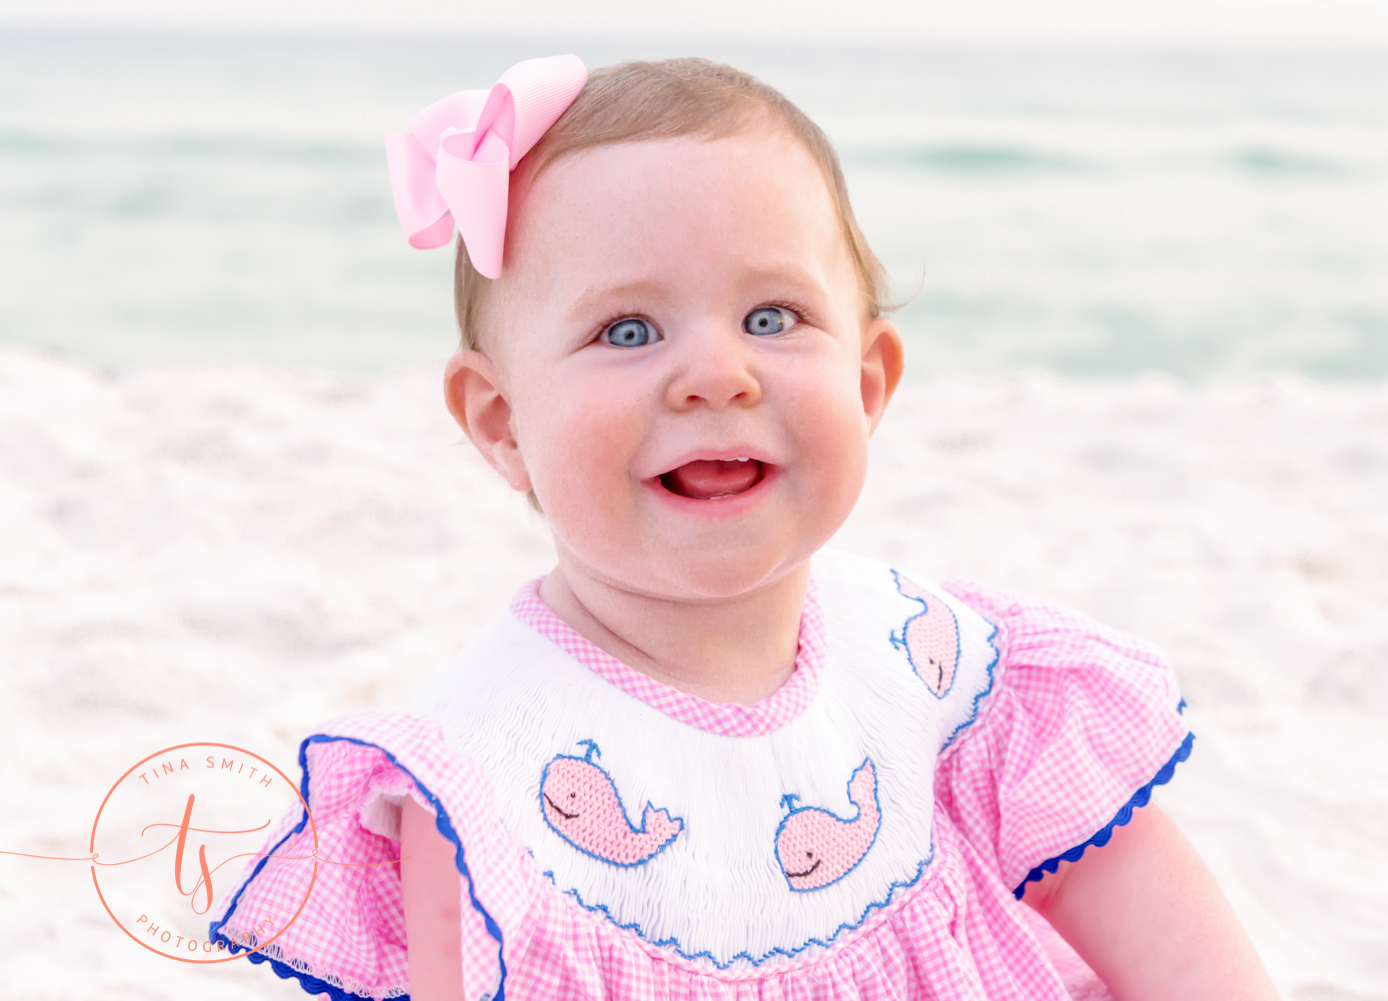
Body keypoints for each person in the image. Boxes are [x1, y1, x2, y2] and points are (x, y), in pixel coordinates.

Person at [210, 54, 1279, 1000]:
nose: (718, 373)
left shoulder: (927, 660)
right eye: (627, 328)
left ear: (869, 381)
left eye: (773, 317)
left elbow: (1136, 894)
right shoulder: (486, 775)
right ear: (502, 422)